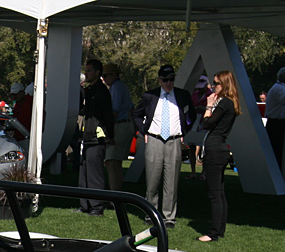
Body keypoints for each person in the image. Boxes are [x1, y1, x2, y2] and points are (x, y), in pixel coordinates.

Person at [132, 64, 196, 227]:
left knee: (172, 181)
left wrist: (183, 131)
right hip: (154, 139)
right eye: (165, 80)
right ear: (160, 80)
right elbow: (137, 114)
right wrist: (143, 131)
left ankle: (169, 217)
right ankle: (150, 214)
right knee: (152, 180)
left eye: (171, 79)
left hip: (174, 140)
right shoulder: (150, 96)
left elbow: (191, 115)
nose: (168, 83)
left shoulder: (182, 95)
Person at [197, 71, 241, 242]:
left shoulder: (224, 103)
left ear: (224, 85)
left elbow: (207, 123)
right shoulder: (229, 103)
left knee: (215, 193)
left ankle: (213, 232)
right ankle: (219, 229)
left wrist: (209, 106)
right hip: (219, 149)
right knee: (219, 193)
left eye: (216, 83)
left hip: (216, 150)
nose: (213, 87)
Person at [77, 59, 114, 216]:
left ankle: (97, 207)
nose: (87, 73)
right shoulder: (90, 90)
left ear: (97, 72)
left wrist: (110, 135)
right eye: (86, 70)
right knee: (84, 172)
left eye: (89, 71)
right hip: (87, 137)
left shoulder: (102, 91)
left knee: (95, 174)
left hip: (97, 138)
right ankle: (84, 205)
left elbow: (107, 115)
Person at [102, 63, 133, 192]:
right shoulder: (120, 87)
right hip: (125, 125)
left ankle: (114, 196)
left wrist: (109, 132)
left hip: (120, 125)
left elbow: (113, 111)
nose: (104, 79)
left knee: (111, 162)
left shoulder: (116, 88)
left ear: (114, 75)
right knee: (116, 162)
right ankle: (117, 194)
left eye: (106, 75)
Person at [264, 67, 285, 180]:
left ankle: (284, 175)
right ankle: (281, 176)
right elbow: (284, 101)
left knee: (281, 150)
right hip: (276, 123)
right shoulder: (279, 88)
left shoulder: (281, 88)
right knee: (278, 150)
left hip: (279, 122)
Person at [185, 75, 212, 176]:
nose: (200, 89)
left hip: (204, 122)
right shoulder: (194, 94)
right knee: (191, 145)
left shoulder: (211, 95)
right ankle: (193, 171)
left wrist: (204, 108)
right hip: (194, 121)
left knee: (205, 147)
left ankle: (204, 172)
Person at [8, 81, 33, 156]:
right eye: (13, 95)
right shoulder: (17, 104)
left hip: (28, 137)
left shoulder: (30, 101)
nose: (14, 97)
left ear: (22, 92)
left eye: (16, 94)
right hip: (19, 137)